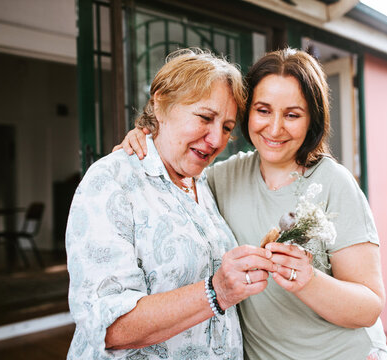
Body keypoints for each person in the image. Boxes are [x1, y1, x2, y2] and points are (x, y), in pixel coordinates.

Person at [118, 48, 387, 360]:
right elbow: (174, 159)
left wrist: (309, 280)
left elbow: (370, 306)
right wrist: (145, 136)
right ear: (248, 113)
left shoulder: (334, 183)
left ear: (312, 118)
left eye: (292, 114)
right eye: (263, 110)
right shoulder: (220, 177)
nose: (274, 129)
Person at [65, 48, 277, 360]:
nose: (217, 140)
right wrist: (216, 291)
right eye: (205, 117)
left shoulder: (202, 181)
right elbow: (111, 327)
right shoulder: (111, 181)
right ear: (161, 103)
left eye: (227, 127)